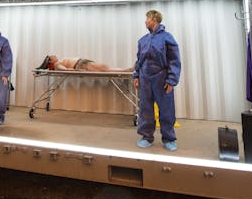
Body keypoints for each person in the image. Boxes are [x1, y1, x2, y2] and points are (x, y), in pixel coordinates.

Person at [133, 9, 181, 151]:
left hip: (161, 78)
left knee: (166, 109)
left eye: (147, 18)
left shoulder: (167, 38)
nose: (145, 21)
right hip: (145, 78)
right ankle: (146, 137)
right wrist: (136, 76)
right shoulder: (143, 40)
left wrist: (172, 80)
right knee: (145, 109)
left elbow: (174, 60)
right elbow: (139, 60)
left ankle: (169, 138)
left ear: (154, 20)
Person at [37, 55, 133, 72]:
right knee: (104, 69)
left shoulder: (58, 63)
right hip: (80, 65)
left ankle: (126, 70)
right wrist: (76, 70)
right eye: (51, 56)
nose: (54, 55)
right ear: (50, 61)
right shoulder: (57, 64)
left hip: (82, 63)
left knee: (104, 68)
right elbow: (65, 70)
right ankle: (126, 70)